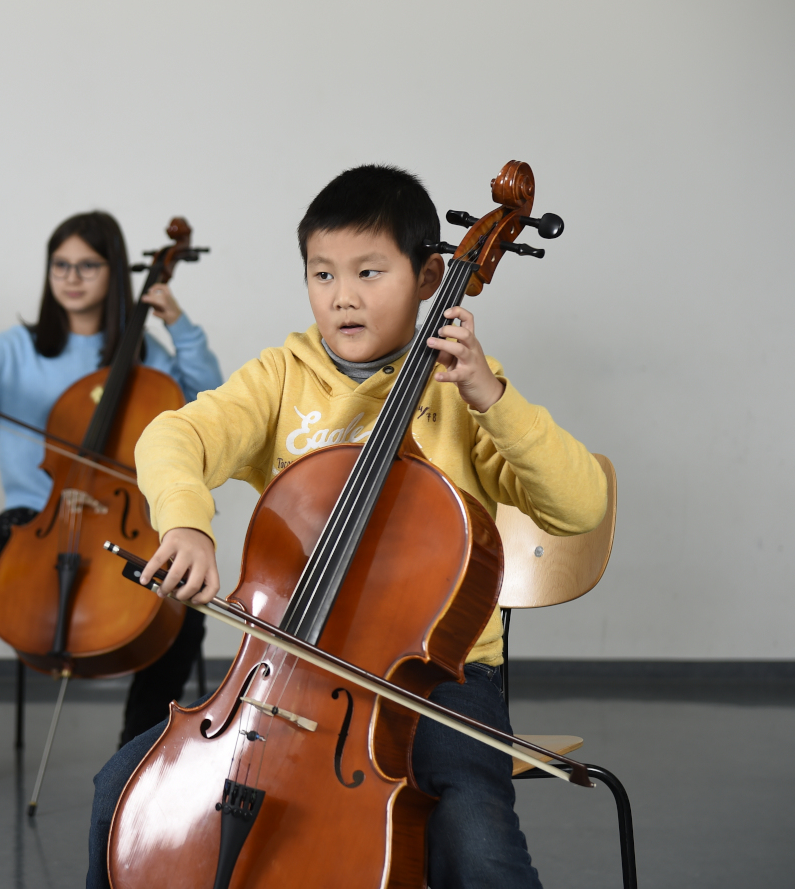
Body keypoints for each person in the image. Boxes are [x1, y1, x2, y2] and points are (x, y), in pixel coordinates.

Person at [85, 166, 608, 888]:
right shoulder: (280, 375)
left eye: (369, 271)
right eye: (322, 274)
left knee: (474, 839)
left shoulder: (464, 389)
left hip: (436, 681)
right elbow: (173, 438)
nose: (343, 296)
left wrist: (492, 396)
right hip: (285, 663)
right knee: (121, 788)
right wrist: (187, 525)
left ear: (430, 277)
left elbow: (580, 510)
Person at [0, 211, 224, 791]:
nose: (72, 277)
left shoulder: (144, 357)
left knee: (180, 601)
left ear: (113, 273)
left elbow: (207, 397)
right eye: (61, 265)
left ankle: (141, 748)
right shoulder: (19, 348)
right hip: (38, 514)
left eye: (88, 265)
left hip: (126, 519)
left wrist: (179, 325)